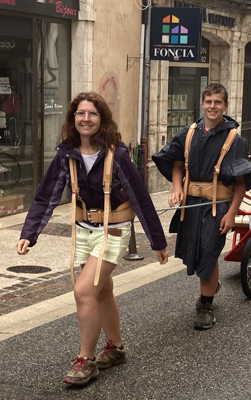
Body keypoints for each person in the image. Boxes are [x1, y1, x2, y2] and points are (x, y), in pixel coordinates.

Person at [16, 92, 168, 385]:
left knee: (84, 291)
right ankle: (116, 347)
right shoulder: (66, 153)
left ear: (102, 119)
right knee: (101, 291)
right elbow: (46, 195)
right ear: (73, 119)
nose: (86, 119)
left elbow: (141, 199)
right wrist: (29, 233)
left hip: (113, 230)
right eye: (80, 113)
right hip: (84, 231)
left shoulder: (117, 154)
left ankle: (86, 360)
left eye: (92, 114)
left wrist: (157, 241)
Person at [153, 83, 251, 330]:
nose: (212, 107)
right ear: (203, 103)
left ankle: (206, 305)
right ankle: (211, 282)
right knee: (194, 252)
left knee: (209, 251)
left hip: (217, 207)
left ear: (226, 105)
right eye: (208, 102)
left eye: (217, 102)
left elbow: (241, 183)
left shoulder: (234, 139)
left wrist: (232, 213)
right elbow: (176, 164)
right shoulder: (189, 132)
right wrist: (177, 187)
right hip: (191, 205)